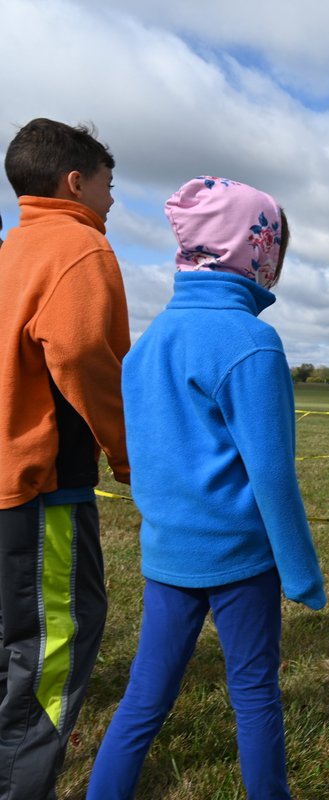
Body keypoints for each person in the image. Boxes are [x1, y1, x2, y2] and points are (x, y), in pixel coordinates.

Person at [86, 177, 326, 799]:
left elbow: (147, 455)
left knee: (145, 695)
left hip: (167, 554)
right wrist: (301, 572)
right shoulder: (251, 342)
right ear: (258, 253)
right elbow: (272, 473)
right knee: (254, 695)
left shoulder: (151, 342)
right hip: (241, 559)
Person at [0, 118, 129, 799]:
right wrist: (128, 454)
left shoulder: (11, 249)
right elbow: (82, 355)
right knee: (56, 640)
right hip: (40, 485)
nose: (112, 202)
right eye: (109, 186)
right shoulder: (80, 246)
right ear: (75, 181)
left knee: (11, 634)